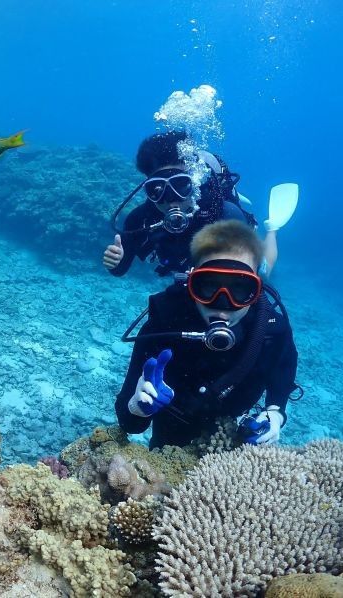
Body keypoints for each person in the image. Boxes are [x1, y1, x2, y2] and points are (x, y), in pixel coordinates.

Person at [114, 219, 298, 448]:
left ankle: (272, 230)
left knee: (267, 267)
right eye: (208, 286)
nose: (222, 305)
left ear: (256, 290)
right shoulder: (164, 322)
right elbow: (130, 424)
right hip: (175, 424)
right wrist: (137, 407)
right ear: (191, 281)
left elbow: (281, 383)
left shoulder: (272, 331)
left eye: (241, 289)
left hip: (231, 427)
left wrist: (275, 415)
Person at [103, 131, 284, 278]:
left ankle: (272, 227)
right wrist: (116, 261)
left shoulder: (225, 214)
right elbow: (120, 270)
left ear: (194, 183)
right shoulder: (139, 220)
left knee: (264, 273)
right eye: (158, 190)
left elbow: (248, 275)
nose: (171, 200)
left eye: (180, 185)